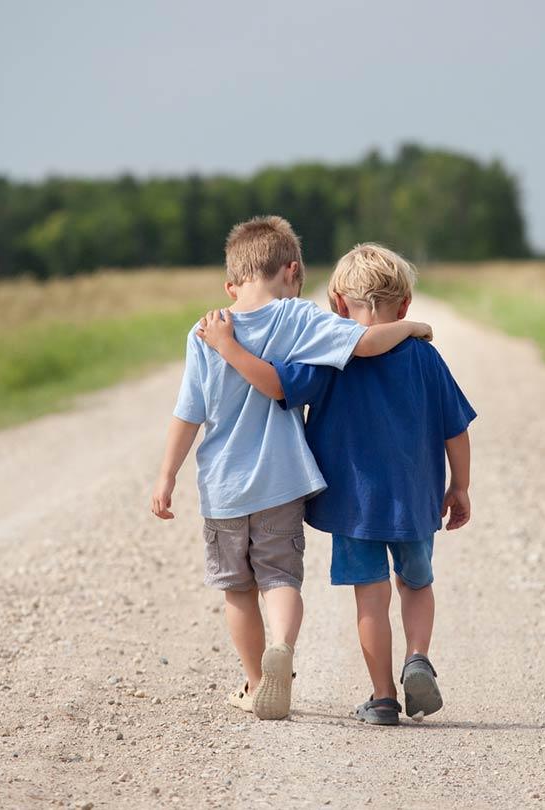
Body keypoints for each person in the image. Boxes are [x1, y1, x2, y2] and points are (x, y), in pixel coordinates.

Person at [151, 219, 433, 721]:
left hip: (223, 488)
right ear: (293, 271)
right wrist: (411, 327)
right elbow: (366, 343)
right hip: (282, 481)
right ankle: (282, 644)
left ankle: (258, 681)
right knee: (281, 578)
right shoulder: (298, 318)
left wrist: (167, 475)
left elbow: (188, 413)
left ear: (231, 283)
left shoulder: (204, 332)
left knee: (238, 590)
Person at [199, 243, 475, 726]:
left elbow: (276, 386)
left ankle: (384, 696)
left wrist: (229, 347)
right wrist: (461, 486)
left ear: (338, 305)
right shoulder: (425, 359)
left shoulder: (328, 355)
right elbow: (456, 428)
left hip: (355, 506)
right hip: (415, 499)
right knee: (416, 584)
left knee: (370, 596)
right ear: (405, 307)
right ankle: (417, 656)